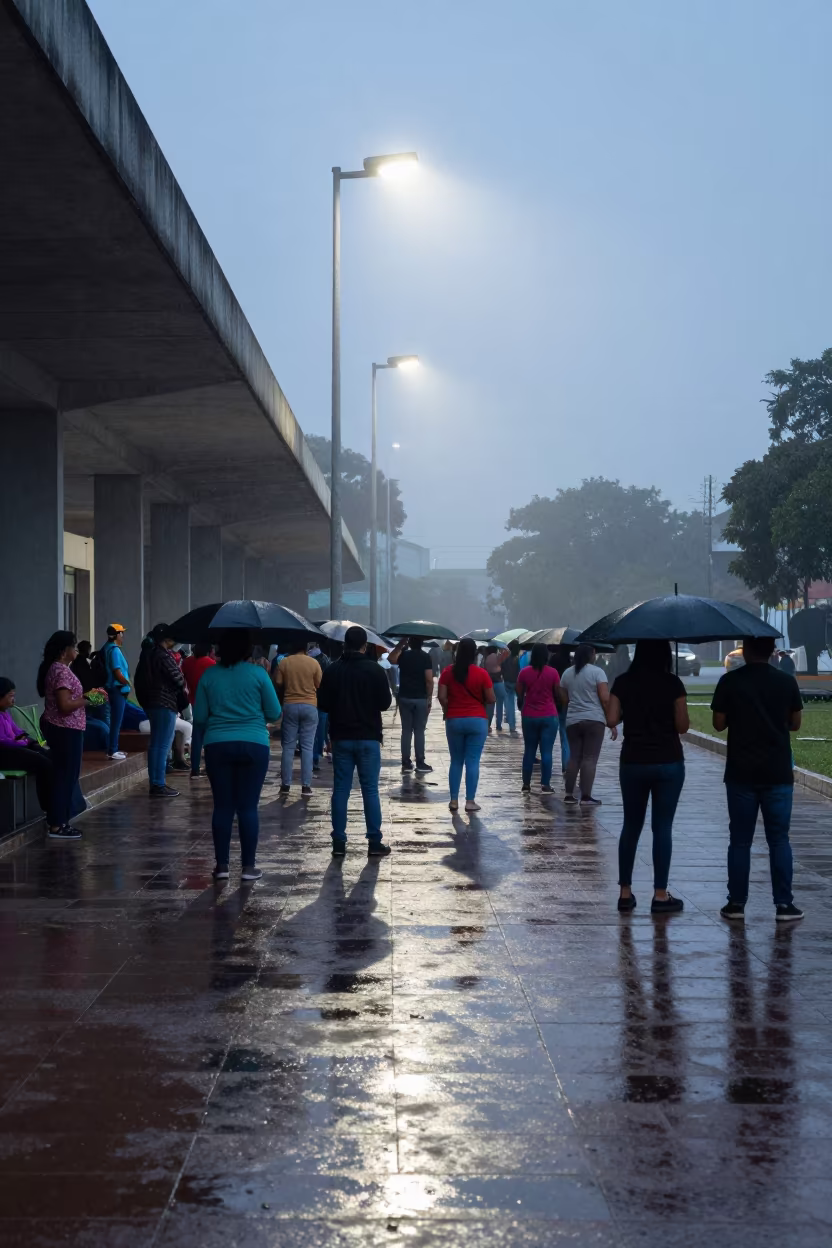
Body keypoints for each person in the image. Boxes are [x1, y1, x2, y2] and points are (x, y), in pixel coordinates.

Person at [711, 634, 804, 921]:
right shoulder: (786, 682)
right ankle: (784, 905)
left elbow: (718, 724)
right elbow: (796, 724)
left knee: (740, 841)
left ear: (746, 650)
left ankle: (736, 904)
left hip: (741, 772)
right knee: (779, 840)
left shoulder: (730, 681)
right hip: (778, 772)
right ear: (772, 651)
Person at [607, 640, 688, 915]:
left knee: (631, 826)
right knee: (662, 827)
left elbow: (611, 719)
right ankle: (660, 895)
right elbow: (682, 726)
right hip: (668, 761)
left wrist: (630, 711)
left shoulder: (623, 682)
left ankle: (625, 893)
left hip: (633, 761)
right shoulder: (673, 683)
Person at [194, 629, 281, 882]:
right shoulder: (258, 674)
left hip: (218, 745)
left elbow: (199, 717)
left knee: (222, 806)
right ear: (247, 649)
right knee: (248, 807)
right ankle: (248, 867)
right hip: (254, 744)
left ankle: (222, 866)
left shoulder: (209, 675)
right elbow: (274, 712)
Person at [316, 625, 393, 856]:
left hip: (341, 737)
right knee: (370, 790)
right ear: (365, 645)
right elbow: (385, 704)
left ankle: (339, 843)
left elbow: (323, 704)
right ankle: (374, 841)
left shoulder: (333, 670)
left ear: (344, 644)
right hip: (368, 737)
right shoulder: (375, 670)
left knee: (341, 789)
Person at [37, 631, 88, 839]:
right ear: (63, 651)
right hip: (65, 728)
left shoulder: (58, 669)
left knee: (65, 774)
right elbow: (65, 705)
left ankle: (59, 820)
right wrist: (88, 699)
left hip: (65, 728)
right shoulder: (61, 671)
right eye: (73, 646)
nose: (76, 649)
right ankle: (58, 824)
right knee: (66, 775)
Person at [437, 637, 496, 813]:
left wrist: (448, 708)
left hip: (454, 720)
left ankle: (454, 800)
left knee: (456, 761)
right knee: (473, 761)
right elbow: (491, 698)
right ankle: (470, 801)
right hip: (477, 721)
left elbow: (441, 696)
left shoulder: (448, 672)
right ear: (474, 654)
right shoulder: (482, 674)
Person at [134, 623, 187, 798]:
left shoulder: (148, 654)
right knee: (162, 745)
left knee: (156, 744)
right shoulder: (163, 655)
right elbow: (178, 680)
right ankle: (158, 784)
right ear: (166, 639)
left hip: (151, 704)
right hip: (165, 704)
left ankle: (156, 783)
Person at [561, 644, 611, 805]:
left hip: (573, 720)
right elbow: (605, 698)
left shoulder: (567, 673)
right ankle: (586, 796)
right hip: (594, 720)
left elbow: (564, 699)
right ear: (591, 655)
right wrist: (610, 719)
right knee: (589, 758)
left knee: (574, 757)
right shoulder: (598, 672)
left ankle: (569, 794)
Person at [0, 676, 54, 816]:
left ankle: (57, 802)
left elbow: (17, 731)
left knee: (48, 755)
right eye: (10, 696)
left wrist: (27, 739)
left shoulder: (5, 713)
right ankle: (49, 807)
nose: (13, 700)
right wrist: (22, 742)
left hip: (15, 748)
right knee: (44, 764)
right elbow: (3, 741)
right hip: (5, 753)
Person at [275, 640, 322, 796]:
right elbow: (318, 684)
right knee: (307, 747)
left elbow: (278, 682)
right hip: (310, 705)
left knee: (288, 747)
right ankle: (306, 786)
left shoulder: (284, 662)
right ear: (305, 648)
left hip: (290, 705)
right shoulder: (314, 663)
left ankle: (286, 785)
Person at [516, 642, 563, 793]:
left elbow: (519, 693)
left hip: (529, 715)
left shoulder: (524, 672)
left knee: (529, 750)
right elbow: (558, 694)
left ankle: (526, 784)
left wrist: (523, 704)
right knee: (546, 752)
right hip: (549, 715)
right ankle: (545, 784)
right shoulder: (553, 673)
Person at [389, 637, 433, 773]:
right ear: (422, 643)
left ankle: (406, 762)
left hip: (405, 697)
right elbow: (429, 680)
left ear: (409, 643)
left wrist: (400, 644)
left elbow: (391, 659)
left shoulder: (403, 655)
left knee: (406, 730)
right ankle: (420, 762)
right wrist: (429, 699)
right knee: (419, 730)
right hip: (420, 698)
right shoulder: (425, 657)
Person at [182, 643, 216, 778]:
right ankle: (209, 766)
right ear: (208, 651)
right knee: (209, 736)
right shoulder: (211, 664)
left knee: (197, 737)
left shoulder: (187, 662)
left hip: (195, 701)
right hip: (210, 704)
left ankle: (195, 768)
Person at [99, 624, 131, 761]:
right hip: (117, 689)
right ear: (117, 635)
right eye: (121, 633)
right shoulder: (114, 650)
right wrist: (127, 682)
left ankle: (113, 748)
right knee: (116, 721)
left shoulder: (106, 648)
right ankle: (113, 750)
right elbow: (117, 671)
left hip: (112, 688)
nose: (123, 636)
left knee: (114, 720)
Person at [308, 642, 332, 772]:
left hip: (310, 700)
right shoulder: (326, 660)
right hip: (322, 702)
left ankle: (313, 757)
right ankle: (315, 758)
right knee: (320, 732)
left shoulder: (309, 661)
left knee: (310, 732)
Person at [484, 644, 510, 733]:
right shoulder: (497, 656)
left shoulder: (486, 658)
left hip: (489, 684)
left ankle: (488, 725)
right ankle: (499, 725)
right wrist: (503, 648)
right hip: (499, 683)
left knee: (490, 706)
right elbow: (507, 654)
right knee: (500, 705)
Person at [500, 641, 520, 735]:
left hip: (506, 682)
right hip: (516, 683)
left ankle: (510, 723)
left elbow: (502, 669)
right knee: (512, 703)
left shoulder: (505, 659)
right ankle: (512, 724)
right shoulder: (517, 660)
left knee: (509, 703)